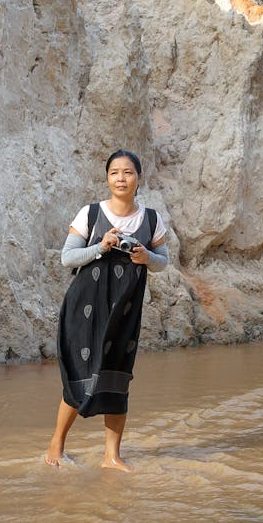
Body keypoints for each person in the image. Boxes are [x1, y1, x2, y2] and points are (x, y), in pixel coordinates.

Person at [44, 149, 169, 470]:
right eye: (114, 172)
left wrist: (146, 258)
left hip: (124, 311)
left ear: (139, 178)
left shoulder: (151, 219)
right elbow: (67, 258)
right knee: (80, 376)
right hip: (84, 307)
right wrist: (101, 246)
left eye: (128, 172)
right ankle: (55, 447)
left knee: (118, 377)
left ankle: (112, 457)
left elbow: (162, 263)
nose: (121, 178)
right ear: (107, 178)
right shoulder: (89, 213)